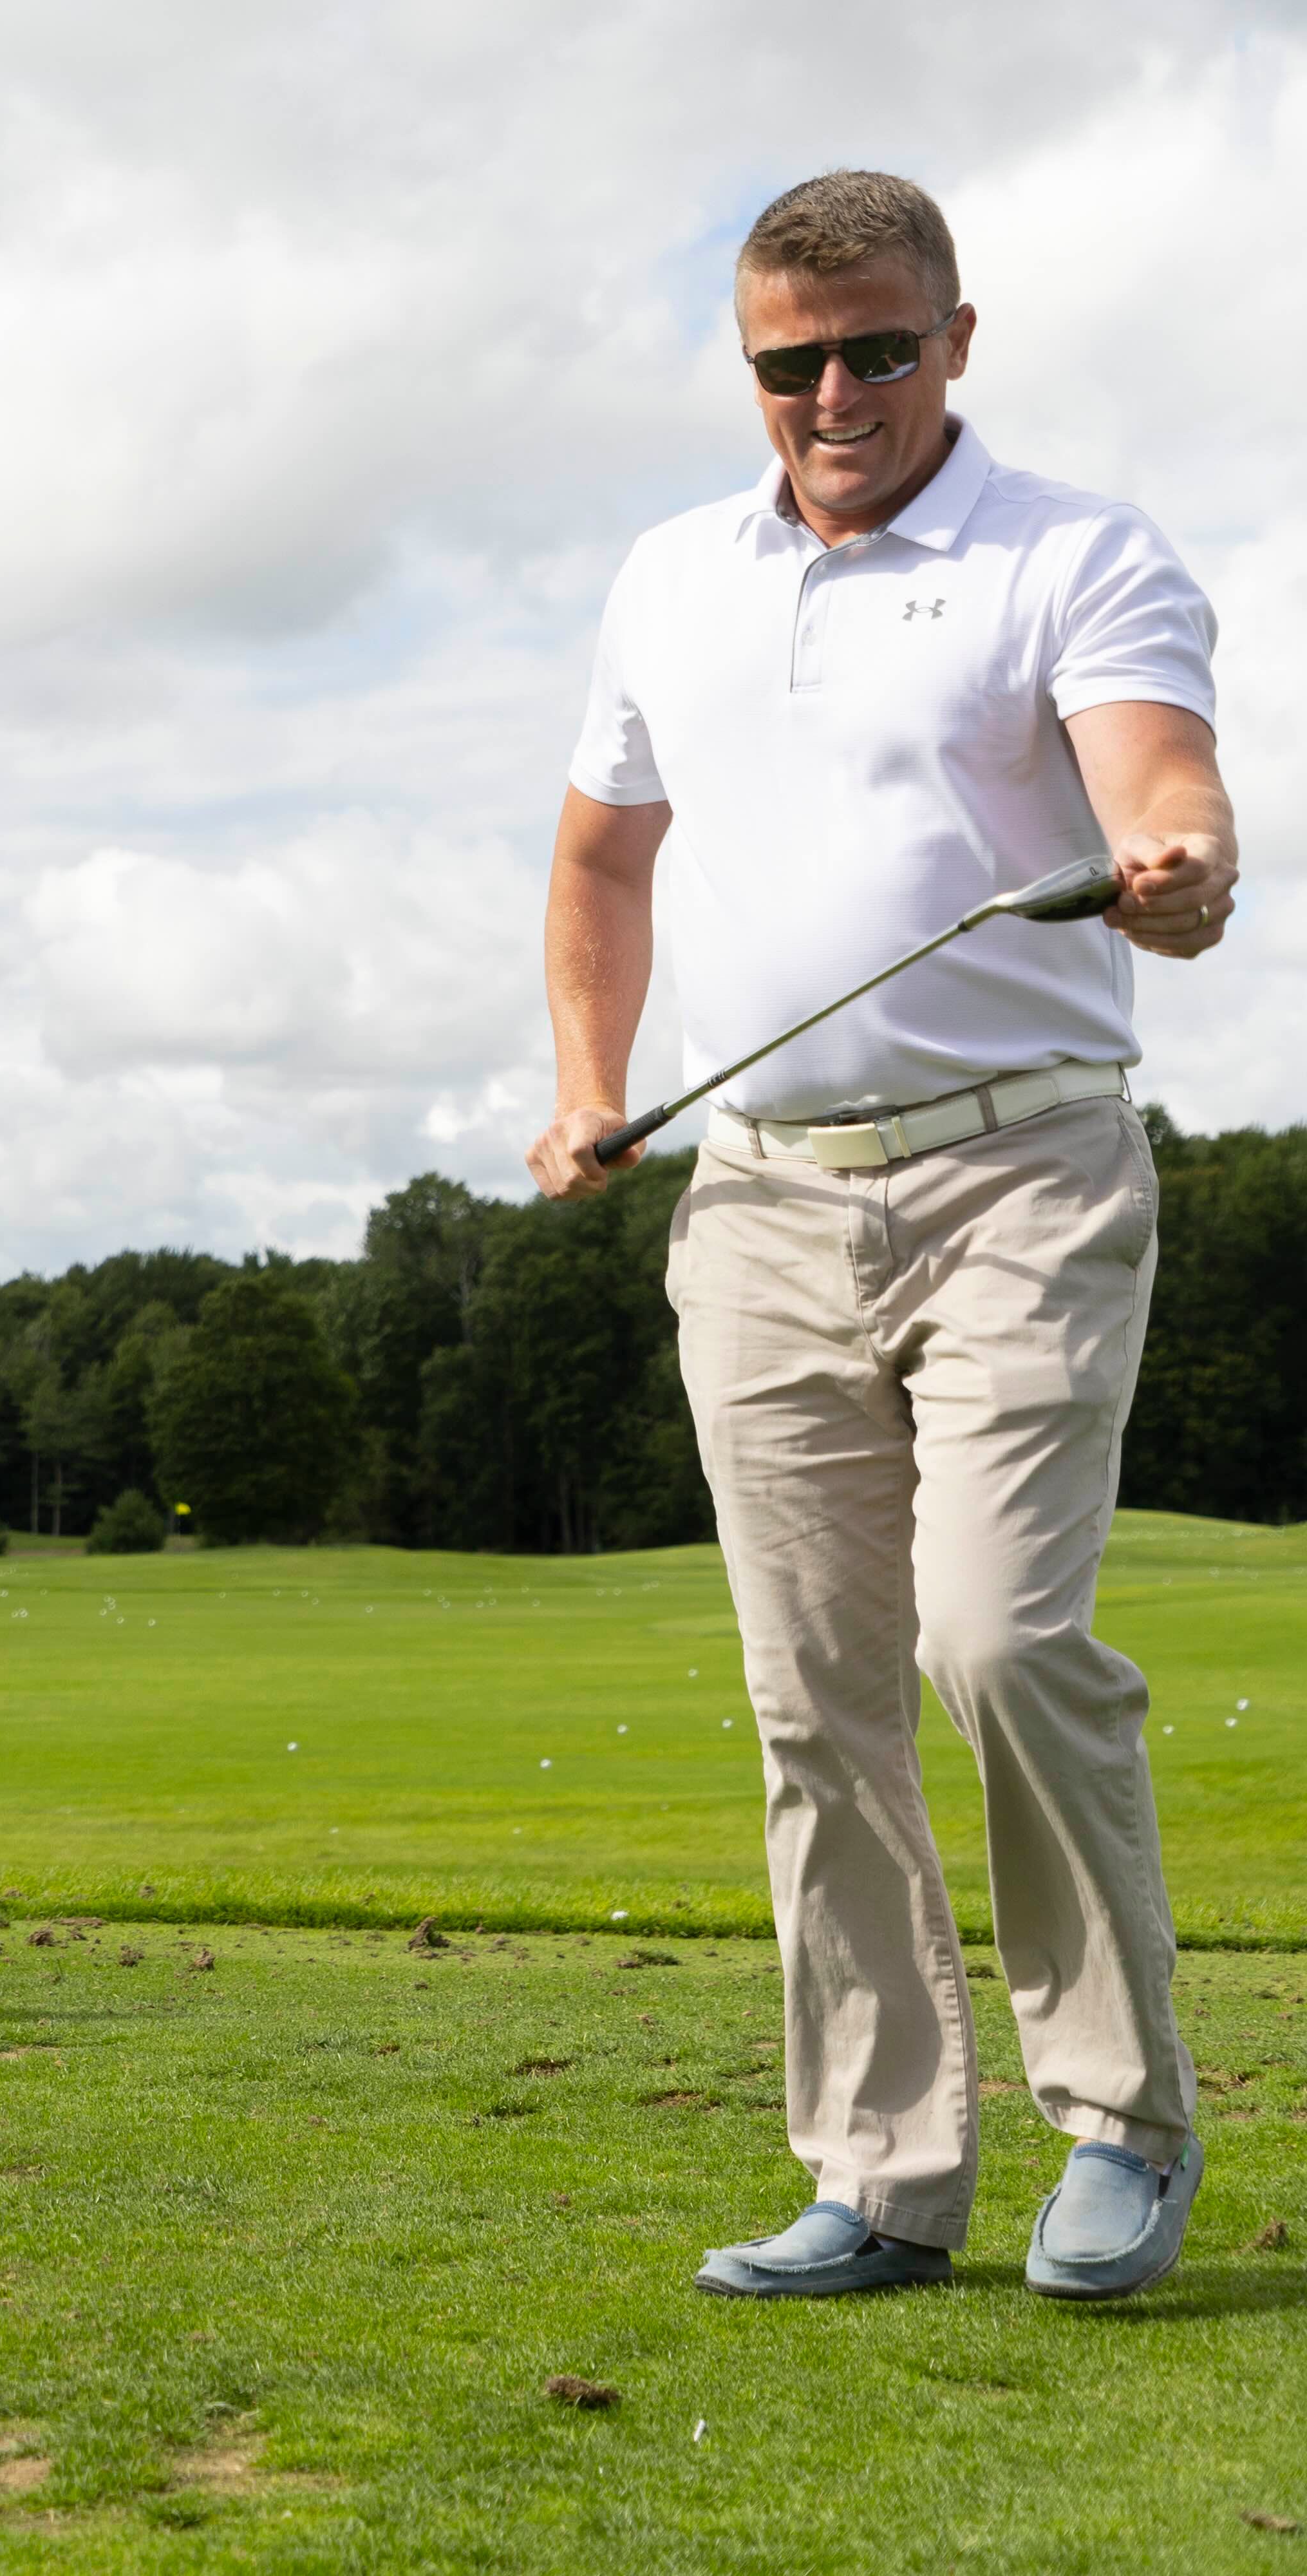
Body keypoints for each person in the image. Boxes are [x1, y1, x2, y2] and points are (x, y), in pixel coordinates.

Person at [530, 173, 1236, 2301]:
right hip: (756, 1197)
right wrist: (588, 1076)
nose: (833, 392)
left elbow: (1161, 788)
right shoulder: (670, 577)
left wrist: (1180, 862)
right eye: (788, 359)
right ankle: (884, 2172)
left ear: (957, 336)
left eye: (877, 348)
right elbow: (597, 863)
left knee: (999, 1638)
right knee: (813, 1698)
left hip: (1024, 1171)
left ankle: (1118, 2124)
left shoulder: (1075, 552)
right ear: (748, 361)